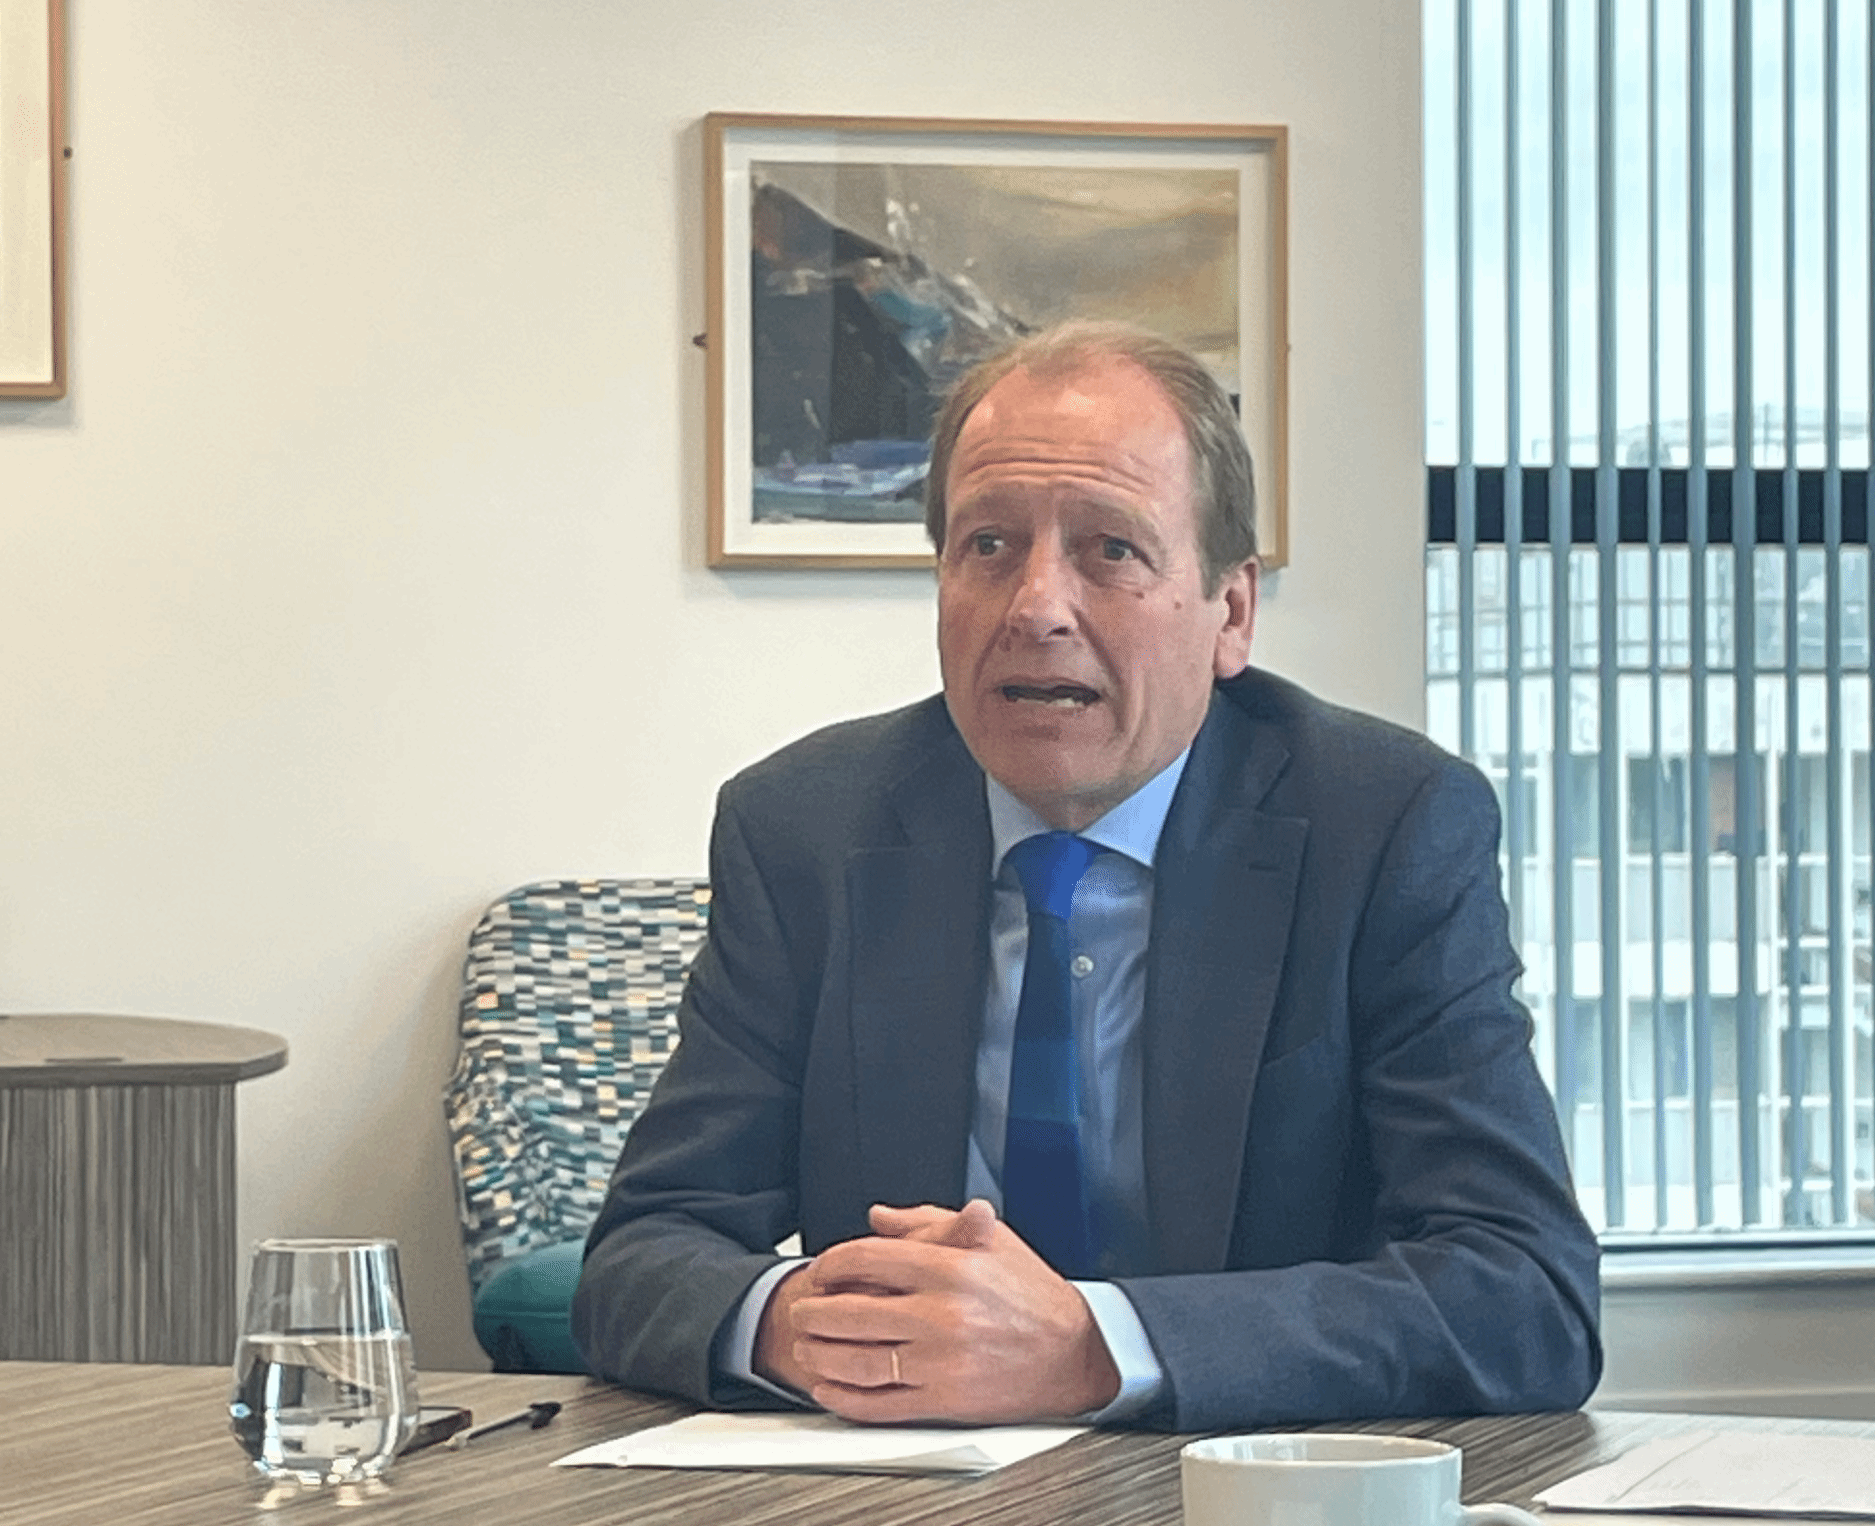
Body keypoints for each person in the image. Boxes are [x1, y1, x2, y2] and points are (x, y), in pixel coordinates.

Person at [571, 320, 1601, 1431]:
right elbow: (641, 1252)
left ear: (1230, 612)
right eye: (988, 545)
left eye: (1110, 548)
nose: (1034, 606)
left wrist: (1093, 1348)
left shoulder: (1385, 823)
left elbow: (1524, 1294)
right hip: (908, 1488)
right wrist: (799, 1323)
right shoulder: (802, 830)